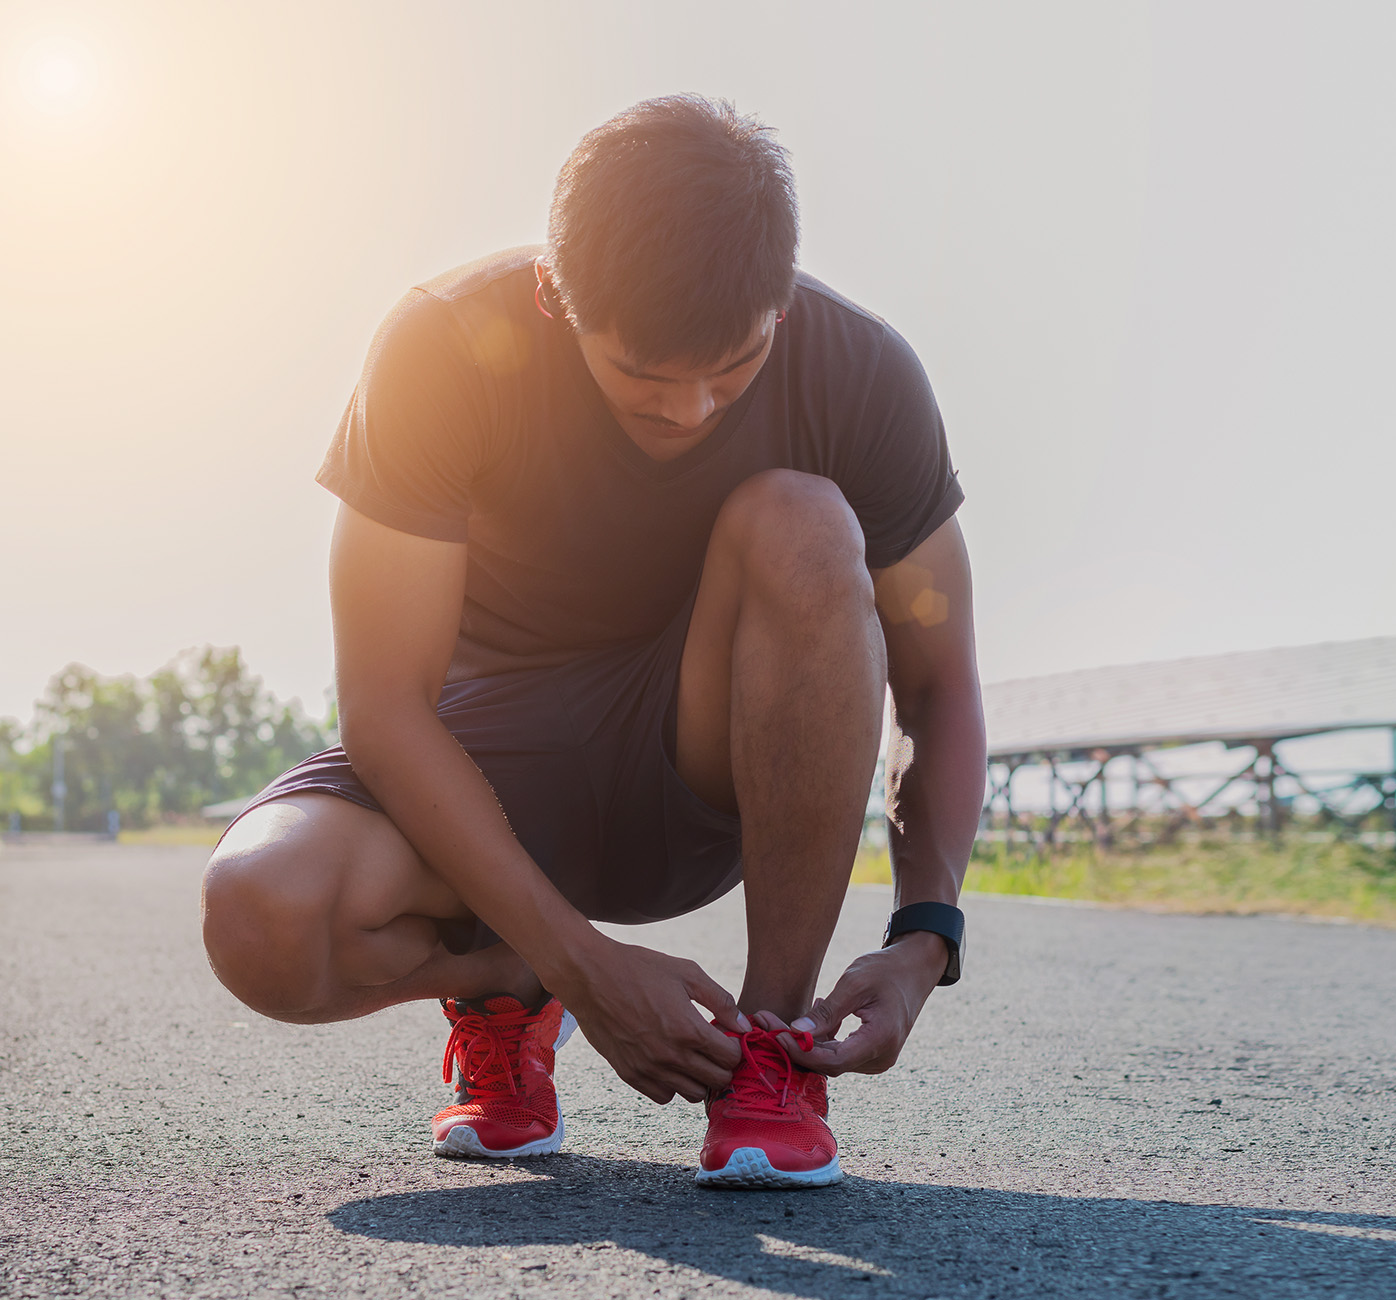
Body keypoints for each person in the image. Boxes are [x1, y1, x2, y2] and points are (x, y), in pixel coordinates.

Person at [199, 95, 984, 1189]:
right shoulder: (442, 344)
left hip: (700, 759)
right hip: (488, 771)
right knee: (259, 914)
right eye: (643, 377)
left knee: (804, 519)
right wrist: (580, 961)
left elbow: (939, 687)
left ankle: (767, 1047)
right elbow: (383, 707)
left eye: (736, 363)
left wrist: (923, 937)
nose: (694, 408)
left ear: (780, 307)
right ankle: (514, 982)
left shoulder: (866, 376)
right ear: (551, 297)